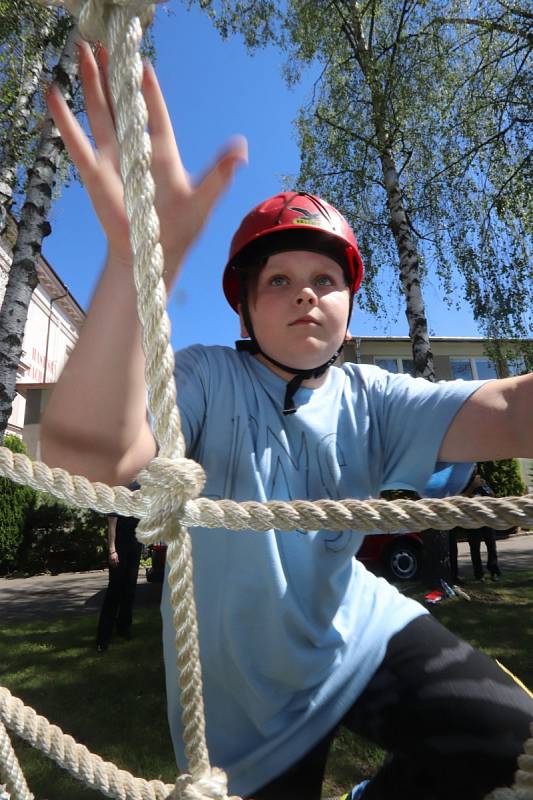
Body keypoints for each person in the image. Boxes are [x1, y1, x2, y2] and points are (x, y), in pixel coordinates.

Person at [41, 42, 533, 800]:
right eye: (279, 281)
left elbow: (506, 409)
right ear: (244, 304)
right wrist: (140, 261)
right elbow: (86, 453)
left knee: (515, 747)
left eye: (325, 279)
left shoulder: (372, 396)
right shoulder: (204, 377)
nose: (305, 294)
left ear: (347, 304)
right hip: (246, 714)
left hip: (358, 636)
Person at [96, 508, 142, 653]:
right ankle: (103, 638)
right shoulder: (116, 498)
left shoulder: (136, 497)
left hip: (135, 547)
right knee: (114, 591)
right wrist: (112, 550)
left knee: (130, 590)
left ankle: (124, 629)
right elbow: (111, 526)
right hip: (119, 548)